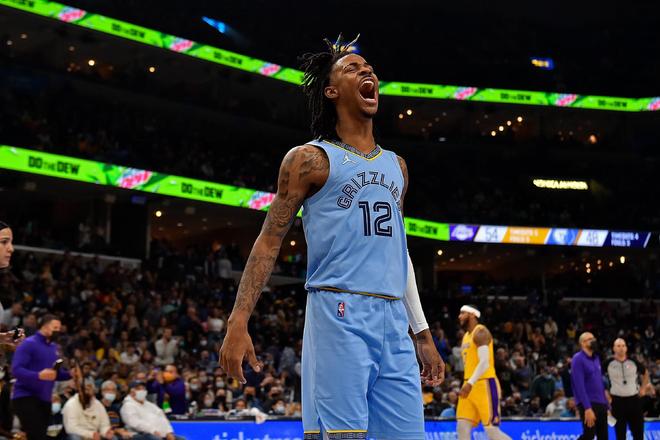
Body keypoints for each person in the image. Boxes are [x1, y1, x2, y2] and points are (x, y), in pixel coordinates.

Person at [219, 35, 444, 440]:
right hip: (339, 312)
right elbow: (269, 240)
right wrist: (239, 320)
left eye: (369, 68)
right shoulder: (309, 159)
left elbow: (399, 252)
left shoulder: (398, 167)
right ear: (331, 90)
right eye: (353, 68)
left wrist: (422, 333)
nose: (367, 71)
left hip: (394, 319)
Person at [12, 314, 72, 440]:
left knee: (38, 436)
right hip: (26, 396)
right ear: (44, 326)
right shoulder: (28, 343)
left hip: (45, 399)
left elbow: (53, 375)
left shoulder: (54, 348)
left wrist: (70, 374)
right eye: (55, 328)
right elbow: (16, 370)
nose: (58, 331)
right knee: (38, 436)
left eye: (59, 328)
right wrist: (38, 375)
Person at [456, 305, 511, 440]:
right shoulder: (466, 336)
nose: (459, 316)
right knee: (462, 426)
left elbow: (484, 362)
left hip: (484, 384)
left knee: (492, 431)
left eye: (463, 313)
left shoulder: (481, 332)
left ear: (472, 315)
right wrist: (467, 383)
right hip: (469, 385)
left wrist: (470, 383)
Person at [605, 339, 648, 440]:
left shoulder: (633, 361)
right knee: (620, 434)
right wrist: (605, 393)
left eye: (623, 346)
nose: (621, 348)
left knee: (638, 433)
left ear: (626, 348)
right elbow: (597, 377)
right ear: (614, 348)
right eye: (618, 346)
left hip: (634, 400)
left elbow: (645, 373)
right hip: (617, 401)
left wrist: (643, 388)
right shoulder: (608, 363)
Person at [571, 332, 609, 440]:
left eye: (594, 338)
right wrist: (587, 407)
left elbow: (600, 383)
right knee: (589, 435)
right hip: (588, 403)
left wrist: (607, 405)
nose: (593, 341)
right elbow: (579, 385)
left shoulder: (596, 358)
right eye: (590, 339)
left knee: (604, 437)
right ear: (582, 343)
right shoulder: (578, 358)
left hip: (601, 403)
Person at [119, 381, 184, 440]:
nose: (142, 391)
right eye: (139, 389)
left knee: (181, 439)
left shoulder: (150, 405)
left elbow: (162, 418)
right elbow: (134, 423)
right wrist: (152, 430)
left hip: (159, 433)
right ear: (131, 391)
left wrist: (168, 432)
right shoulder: (128, 406)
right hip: (139, 434)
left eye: (143, 389)